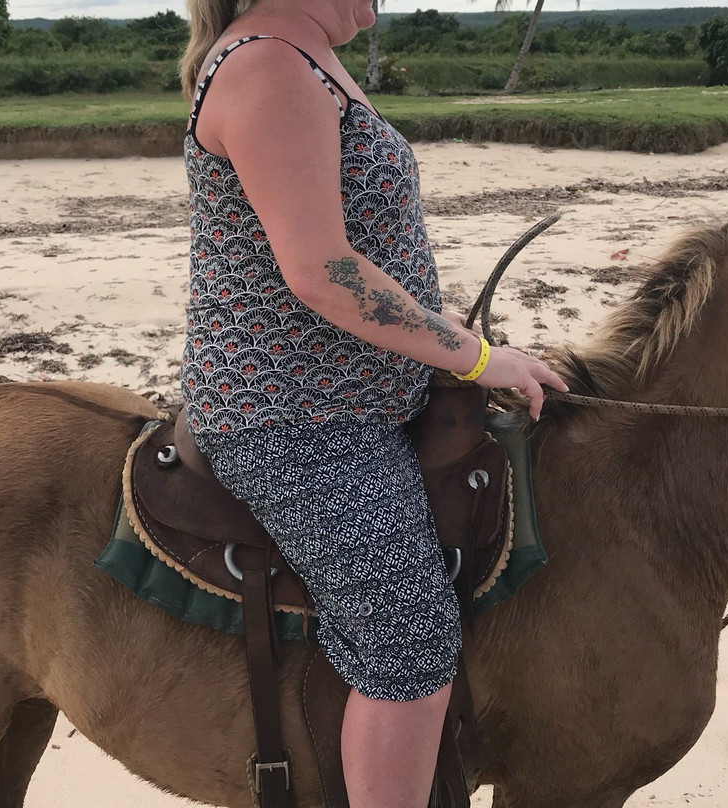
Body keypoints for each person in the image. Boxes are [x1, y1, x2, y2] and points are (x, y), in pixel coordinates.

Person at [178, 1, 567, 805]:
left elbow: (353, 237)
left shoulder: (305, 51)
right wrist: (480, 358)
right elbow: (322, 268)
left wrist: (435, 324)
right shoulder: (267, 66)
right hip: (293, 418)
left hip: (359, 394)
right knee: (410, 645)